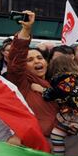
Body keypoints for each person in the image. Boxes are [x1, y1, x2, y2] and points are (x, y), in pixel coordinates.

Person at [5, 10, 59, 143]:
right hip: (37, 142)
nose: (36, 61)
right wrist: (26, 29)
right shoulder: (22, 83)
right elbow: (17, 60)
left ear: (46, 62)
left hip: (64, 142)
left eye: (39, 58)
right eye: (30, 60)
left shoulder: (55, 82)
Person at [33, 54, 78, 156]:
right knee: (57, 134)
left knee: (58, 135)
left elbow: (58, 92)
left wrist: (42, 90)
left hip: (75, 116)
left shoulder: (68, 78)